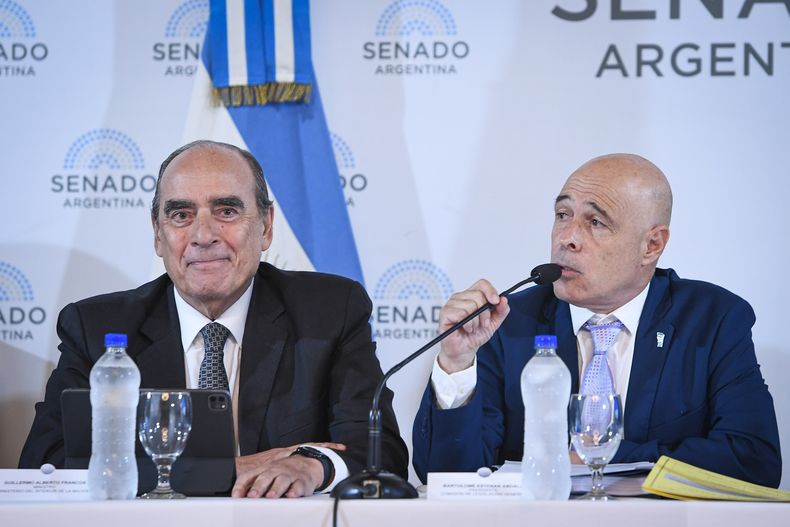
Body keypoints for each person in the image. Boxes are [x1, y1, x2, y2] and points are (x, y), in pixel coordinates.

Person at [19, 140, 408, 498]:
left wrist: (314, 467)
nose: (203, 235)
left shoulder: (328, 311)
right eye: (181, 214)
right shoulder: (96, 327)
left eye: (226, 211)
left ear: (266, 226)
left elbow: (381, 452)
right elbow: (44, 466)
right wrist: (222, 472)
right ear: (157, 233)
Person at [412, 153, 781, 487]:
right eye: (562, 216)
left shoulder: (712, 320)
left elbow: (753, 460)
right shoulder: (505, 322)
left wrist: (603, 459)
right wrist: (456, 364)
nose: (567, 238)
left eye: (596, 222)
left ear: (651, 245)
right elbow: (446, 479)